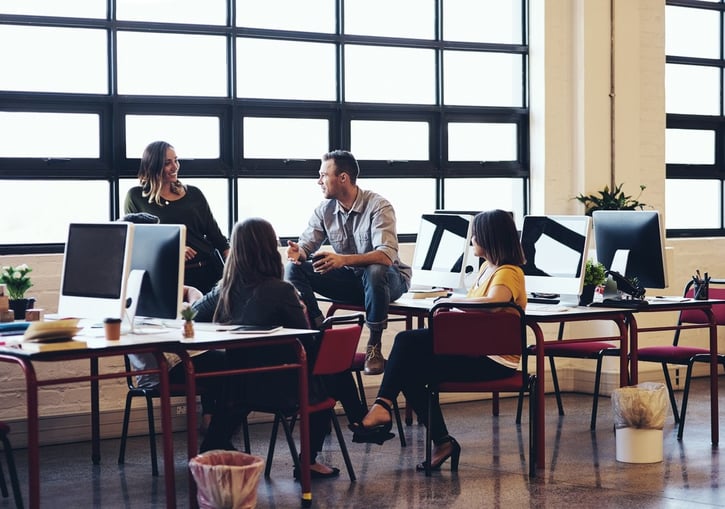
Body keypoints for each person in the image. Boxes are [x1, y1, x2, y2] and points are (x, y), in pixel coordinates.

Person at [349, 209, 527, 472]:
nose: (472, 239)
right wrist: (451, 299)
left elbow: (493, 304)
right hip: (476, 351)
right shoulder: (487, 270)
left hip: (494, 360)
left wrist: (450, 301)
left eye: (476, 234)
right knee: (407, 367)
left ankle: (382, 407)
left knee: (405, 341)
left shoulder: (508, 272)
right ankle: (440, 441)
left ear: (489, 238)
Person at [192, 217, 363, 479]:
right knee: (328, 369)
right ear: (269, 249)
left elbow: (191, 315)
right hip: (284, 390)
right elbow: (307, 343)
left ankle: (359, 421)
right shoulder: (282, 290)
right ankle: (317, 453)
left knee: (326, 369)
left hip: (239, 388)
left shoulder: (224, 290)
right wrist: (303, 311)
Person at [285, 149, 412, 376]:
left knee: (375, 270)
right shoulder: (325, 210)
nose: (319, 181)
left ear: (342, 178)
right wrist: (298, 253)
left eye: (324, 175)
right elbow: (306, 246)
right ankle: (318, 328)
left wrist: (342, 260)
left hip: (389, 280)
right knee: (293, 271)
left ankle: (374, 345)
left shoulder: (378, 206)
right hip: (353, 282)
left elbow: (385, 255)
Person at [120, 212, 225, 433]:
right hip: (164, 367)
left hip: (176, 357)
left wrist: (193, 301)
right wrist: (185, 311)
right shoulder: (128, 281)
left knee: (225, 359)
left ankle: (214, 426)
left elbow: (186, 290)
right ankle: (217, 434)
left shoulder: (148, 271)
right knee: (234, 364)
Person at [124, 140, 230, 294]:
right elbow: (137, 243)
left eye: (176, 160)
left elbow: (216, 236)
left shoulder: (194, 193)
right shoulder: (135, 197)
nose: (175, 167)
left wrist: (236, 270)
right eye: (167, 162)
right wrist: (174, 249)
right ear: (153, 165)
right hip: (168, 276)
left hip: (208, 272)